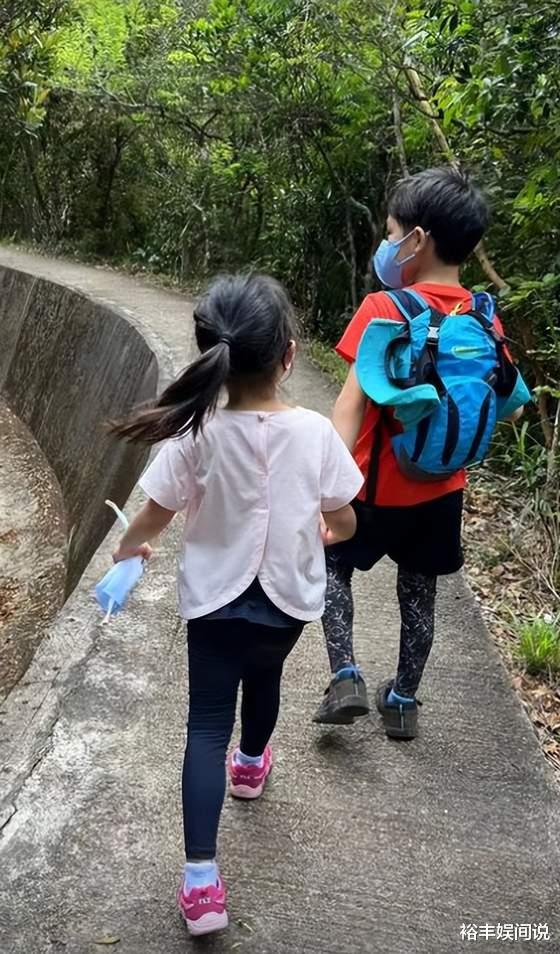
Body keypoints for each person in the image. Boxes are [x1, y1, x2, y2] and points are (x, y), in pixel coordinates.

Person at [110, 274, 363, 936]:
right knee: (267, 681)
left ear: (210, 359)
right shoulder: (314, 435)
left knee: (204, 726)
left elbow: (151, 519)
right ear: (288, 355)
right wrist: (320, 530)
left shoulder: (195, 435)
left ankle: (200, 884)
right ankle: (251, 767)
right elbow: (345, 522)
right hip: (283, 610)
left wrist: (127, 556)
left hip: (214, 608)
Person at [313, 166, 524, 740]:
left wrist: (326, 489)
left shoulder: (386, 309)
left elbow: (349, 408)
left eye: (391, 232)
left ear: (418, 239)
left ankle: (346, 676)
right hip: (443, 493)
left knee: (332, 568)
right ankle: (403, 700)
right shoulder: (482, 316)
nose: (388, 244)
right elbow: (514, 406)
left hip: (373, 488)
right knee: (420, 591)